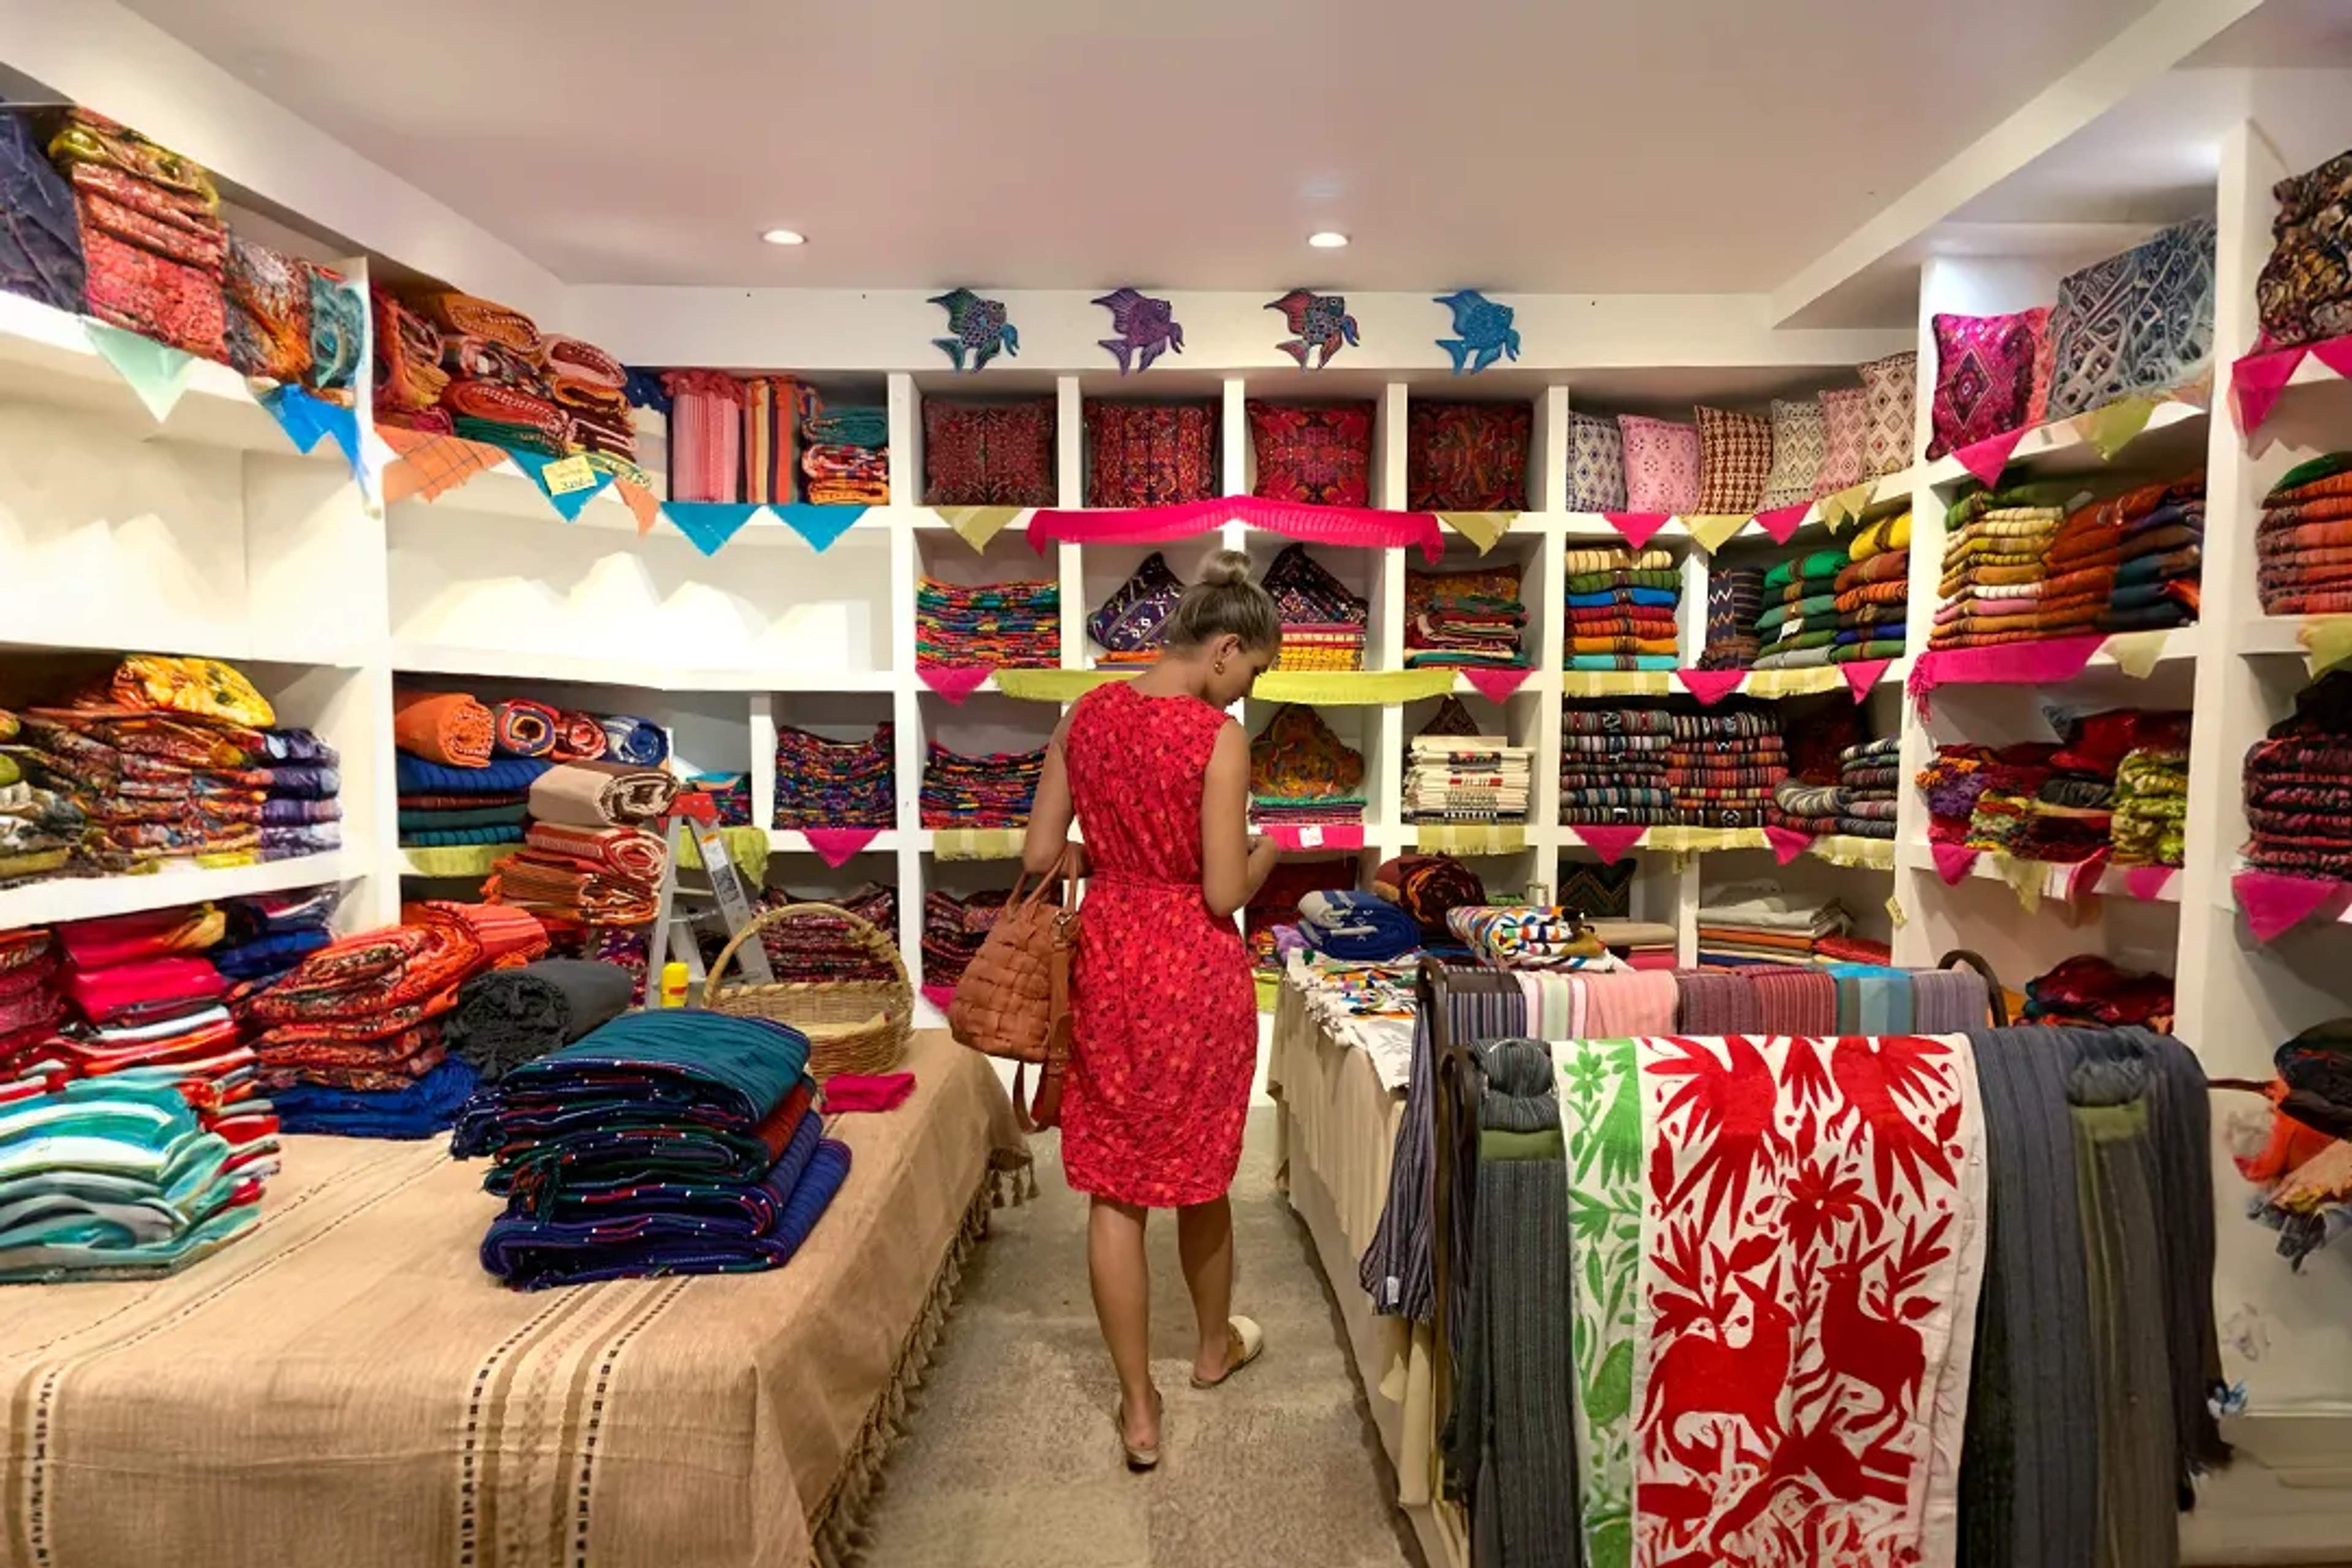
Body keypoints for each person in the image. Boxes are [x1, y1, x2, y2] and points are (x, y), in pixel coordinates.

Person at [1019, 548, 1284, 1471]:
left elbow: (1042, 849)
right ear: (1223, 647)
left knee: (1116, 1191)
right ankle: (1212, 1349)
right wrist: (1267, 859)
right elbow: (1220, 894)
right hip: (1194, 972)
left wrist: (1111, 859)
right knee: (1202, 1175)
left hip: (1112, 961)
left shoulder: (1083, 716)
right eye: (1249, 675)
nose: (1243, 696)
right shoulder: (1217, 740)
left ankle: (1138, 1408)